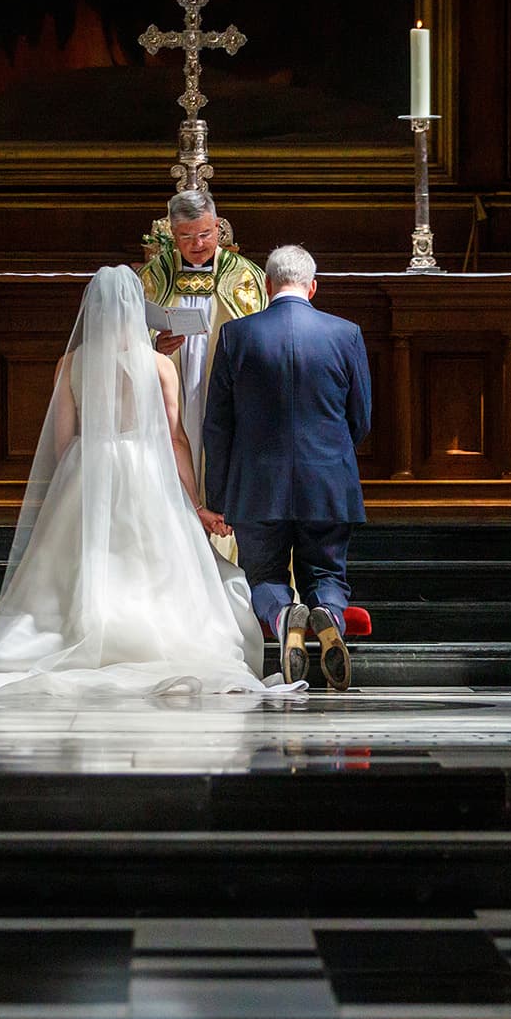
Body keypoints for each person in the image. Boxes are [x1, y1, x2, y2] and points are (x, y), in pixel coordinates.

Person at [0, 267, 292, 702]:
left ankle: (75, 635)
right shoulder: (159, 365)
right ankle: (151, 638)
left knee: (76, 568)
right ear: (137, 310)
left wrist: (79, 484)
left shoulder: (70, 365)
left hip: (89, 468)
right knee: (154, 563)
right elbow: (176, 440)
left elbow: (63, 444)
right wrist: (193, 503)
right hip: (146, 471)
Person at [201, 244, 371, 690]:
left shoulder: (237, 336)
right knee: (328, 572)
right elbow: (362, 418)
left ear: (267, 285)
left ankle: (282, 617)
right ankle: (329, 617)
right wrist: (328, 458)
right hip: (328, 481)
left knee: (265, 575)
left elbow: (217, 426)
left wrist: (216, 499)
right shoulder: (346, 334)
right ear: (312, 286)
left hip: (257, 485)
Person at [137, 188, 267, 517]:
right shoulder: (154, 276)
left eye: (205, 234)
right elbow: (126, 336)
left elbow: (261, 334)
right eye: (186, 237)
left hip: (223, 386)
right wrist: (154, 346)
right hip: (171, 386)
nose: (197, 245)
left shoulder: (246, 276)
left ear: (217, 228)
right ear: (172, 233)